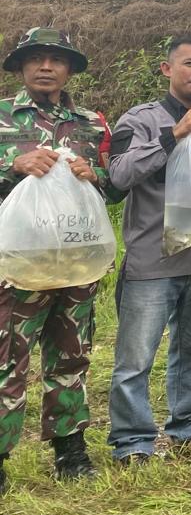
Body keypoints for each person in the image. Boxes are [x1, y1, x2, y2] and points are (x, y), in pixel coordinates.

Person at [105, 36, 191, 464]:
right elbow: (118, 176)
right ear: (167, 70)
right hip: (154, 258)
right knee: (136, 355)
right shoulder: (140, 119)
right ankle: (133, 441)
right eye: (189, 63)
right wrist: (173, 136)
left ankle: (189, 426)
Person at [0, 28, 120, 489]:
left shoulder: (92, 123)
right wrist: (12, 165)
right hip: (17, 265)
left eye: (56, 59)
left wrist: (97, 176)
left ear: (70, 69)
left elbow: (114, 188)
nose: (45, 66)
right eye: (35, 59)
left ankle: (70, 452)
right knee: (8, 360)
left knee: (72, 357)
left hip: (74, 262)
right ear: (20, 67)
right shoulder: (2, 117)